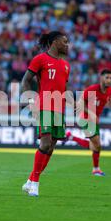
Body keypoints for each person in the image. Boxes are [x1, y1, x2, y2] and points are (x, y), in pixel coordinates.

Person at [21, 31, 70, 197]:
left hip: (59, 109)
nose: (67, 45)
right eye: (64, 41)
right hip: (45, 106)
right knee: (45, 143)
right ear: (55, 42)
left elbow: (63, 88)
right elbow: (26, 81)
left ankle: (29, 181)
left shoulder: (66, 65)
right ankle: (35, 183)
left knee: (51, 147)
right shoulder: (40, 59)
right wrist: (30, 101)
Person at [65, 69, 111, 176]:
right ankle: (95, 169)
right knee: (97, 144)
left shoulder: (110, 90)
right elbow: (79, 104)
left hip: (94, 120)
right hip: (85, 118)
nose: (109, 80)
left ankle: (71, 137)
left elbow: (108, 100)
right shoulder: (92, 90)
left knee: (96, 146)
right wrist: (91, 113)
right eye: (107, 77)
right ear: (101, 78)